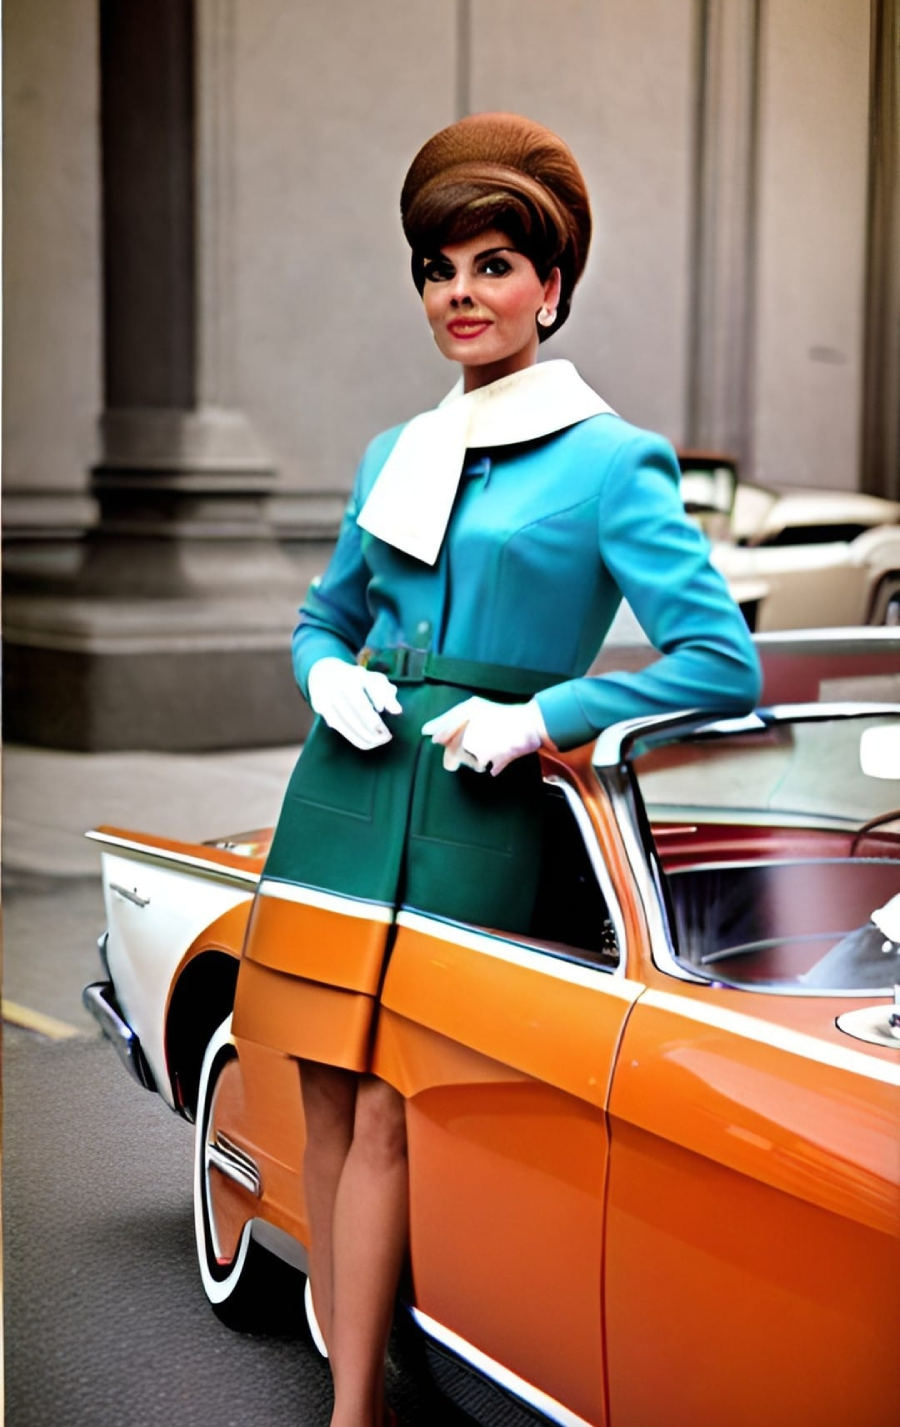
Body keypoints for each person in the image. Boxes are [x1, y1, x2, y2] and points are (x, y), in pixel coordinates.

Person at [232, 112, 761, 1426]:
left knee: (397, 1111)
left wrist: (545, 716)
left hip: (479, 810)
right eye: (438, 270)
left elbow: (720, 661)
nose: (460, 295)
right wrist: (326, 676)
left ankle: (360, 1412)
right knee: (328, 1100)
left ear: (550, 286)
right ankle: (350, 1382)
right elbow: (322, 619)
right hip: (346, 793)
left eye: (491, 266)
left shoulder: (612, 460)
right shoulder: (392, 452)